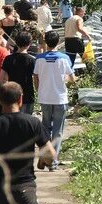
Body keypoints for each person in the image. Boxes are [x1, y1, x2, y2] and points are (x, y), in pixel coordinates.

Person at [34, 31, 76, 171]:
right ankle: (53, 162)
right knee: (57, 131)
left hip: (44, 98)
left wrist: (39, 89)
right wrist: (65, 81)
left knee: (45, 130)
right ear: (58, 42)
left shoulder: (39, 58)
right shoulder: (64, 58)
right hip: (60, 98)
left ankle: (44, 157)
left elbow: (36, 77)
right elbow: (72, 78)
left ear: (45, 42)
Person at [0, 32, 36, 115]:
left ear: (16, 43)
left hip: (12, 95)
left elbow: (0, 80)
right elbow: (36, 78)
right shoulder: (32, 60)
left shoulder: (8, 59)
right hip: (28, 95)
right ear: (29, 44)